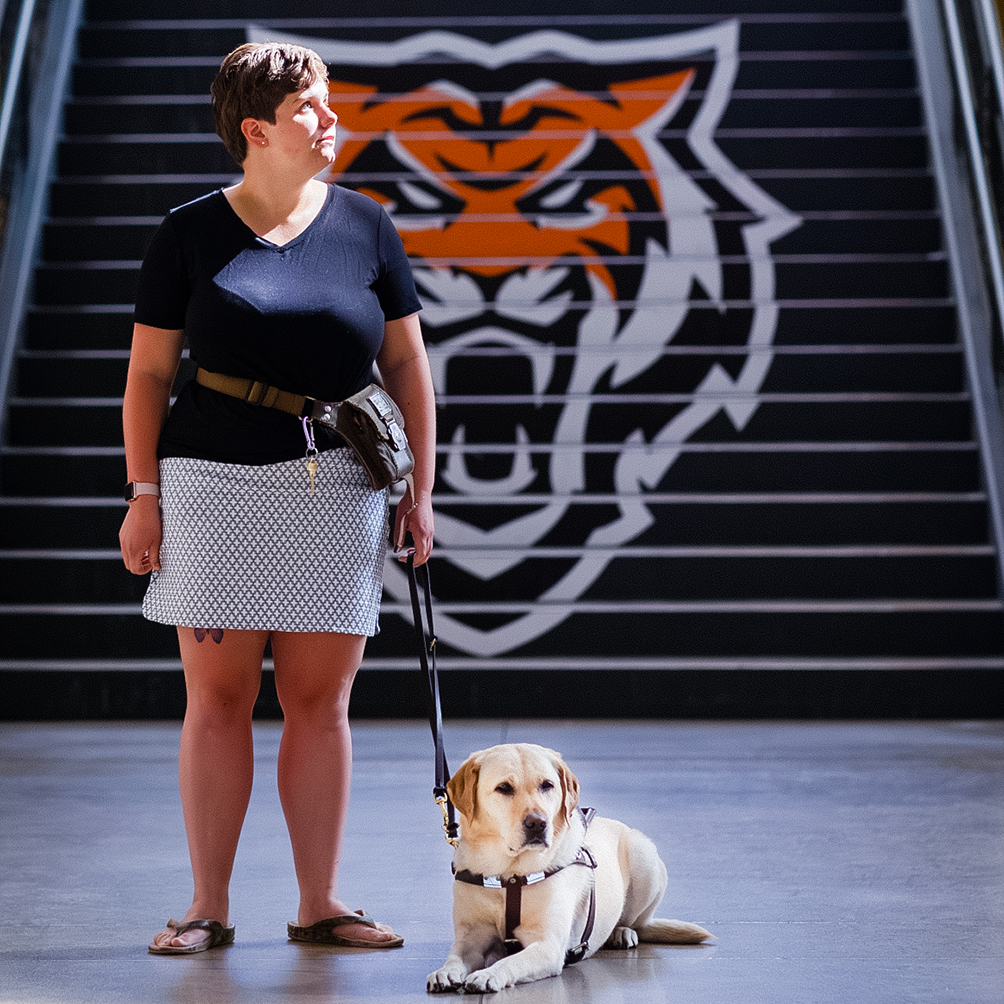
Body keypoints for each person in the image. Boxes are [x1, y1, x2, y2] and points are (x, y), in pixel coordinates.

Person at [118, 41, 435, 955]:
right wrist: (144, 494)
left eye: (330, 103)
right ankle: (206, 906)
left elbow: (407, 362)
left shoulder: (368, 225)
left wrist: (419, 491)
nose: (331, 120)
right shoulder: (186, 233)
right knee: (215, 702)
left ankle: (320, 901)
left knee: (320, 703)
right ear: (256, 130)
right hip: (211, 484)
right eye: (311, 108)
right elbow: (147, 375)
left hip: (339, 487)